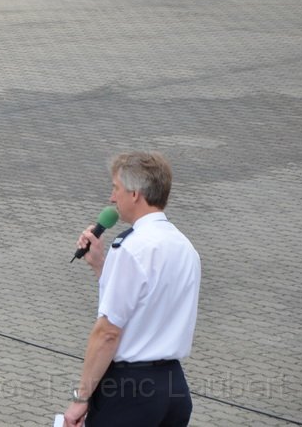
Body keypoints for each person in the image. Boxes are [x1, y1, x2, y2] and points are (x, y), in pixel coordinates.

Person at [64, 151, 201, 427]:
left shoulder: (130, 249)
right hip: (173, 388)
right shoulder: (185, 247)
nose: (112, 198)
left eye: (116, 188)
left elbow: (107, 334)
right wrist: (101, 266)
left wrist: (81, 398)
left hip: (131, 392)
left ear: (135, 194)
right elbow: (149, 302)